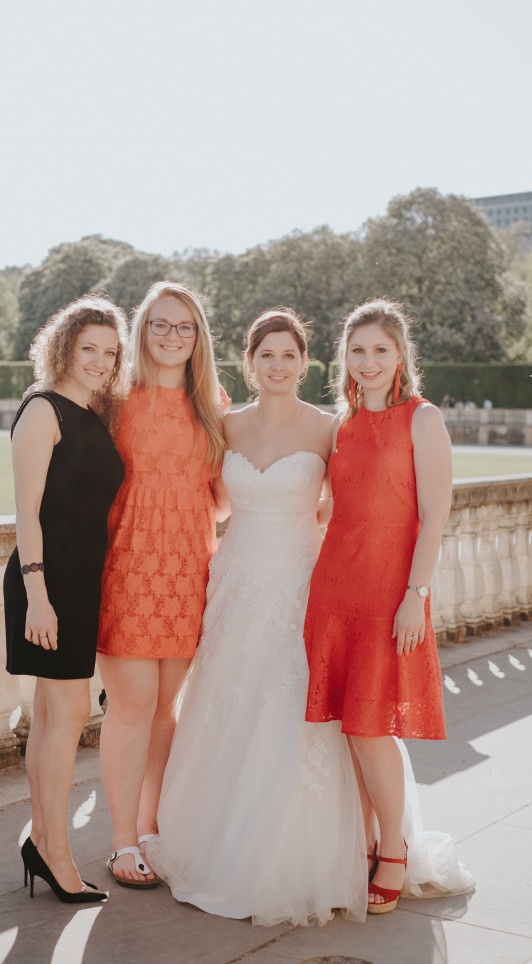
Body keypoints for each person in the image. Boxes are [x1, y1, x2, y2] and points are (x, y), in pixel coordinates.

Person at [147, 308, 368, 925]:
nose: (277, 365)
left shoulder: (328, 428)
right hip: (237, 580)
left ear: (305, 363)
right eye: (266, 355)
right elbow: (214, 503)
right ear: (249, 363)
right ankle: (213, 841)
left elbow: (340, 506)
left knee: (293, 704)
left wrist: (296, 530)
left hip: (301, 581)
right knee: (229, 699)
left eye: (288, 355)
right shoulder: (226, 425)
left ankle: (297, 853)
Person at [304, 299, 474, 914]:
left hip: (388, 594)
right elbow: (334, 508)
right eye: (357, 350)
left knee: (371, 729)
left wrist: (414, 596)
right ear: (344, 357)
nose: (368, 361)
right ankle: (370, 843)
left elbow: (434, 517)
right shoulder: (341, 424)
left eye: (380, 349)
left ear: (401, 354)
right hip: (333, 589)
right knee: (348, 728)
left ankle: (395, 852)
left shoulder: (422, 419)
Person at [96, 281, 228, 888]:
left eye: (185, 326)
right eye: (161, 324)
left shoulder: (213, 402)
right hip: (126, 568)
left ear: (198, 337)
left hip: (188, 571)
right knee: (130, 707)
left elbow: (222, 500)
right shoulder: (114, 398)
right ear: (143, 330)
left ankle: (151, 829)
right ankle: (122, 841)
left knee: (164, 712)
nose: (173, 336)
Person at [4, 295, 127, 903]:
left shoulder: (93, 411)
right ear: (64, 348)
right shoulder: (42, 409)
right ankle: (55, 853)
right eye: (89, 349)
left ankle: (41, 841)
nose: (100, 361)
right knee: (71, 713)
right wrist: (38, 596)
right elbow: (26, 512)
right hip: (46, 585)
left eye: (110, 352)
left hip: (78, 584)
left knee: (53, 717)